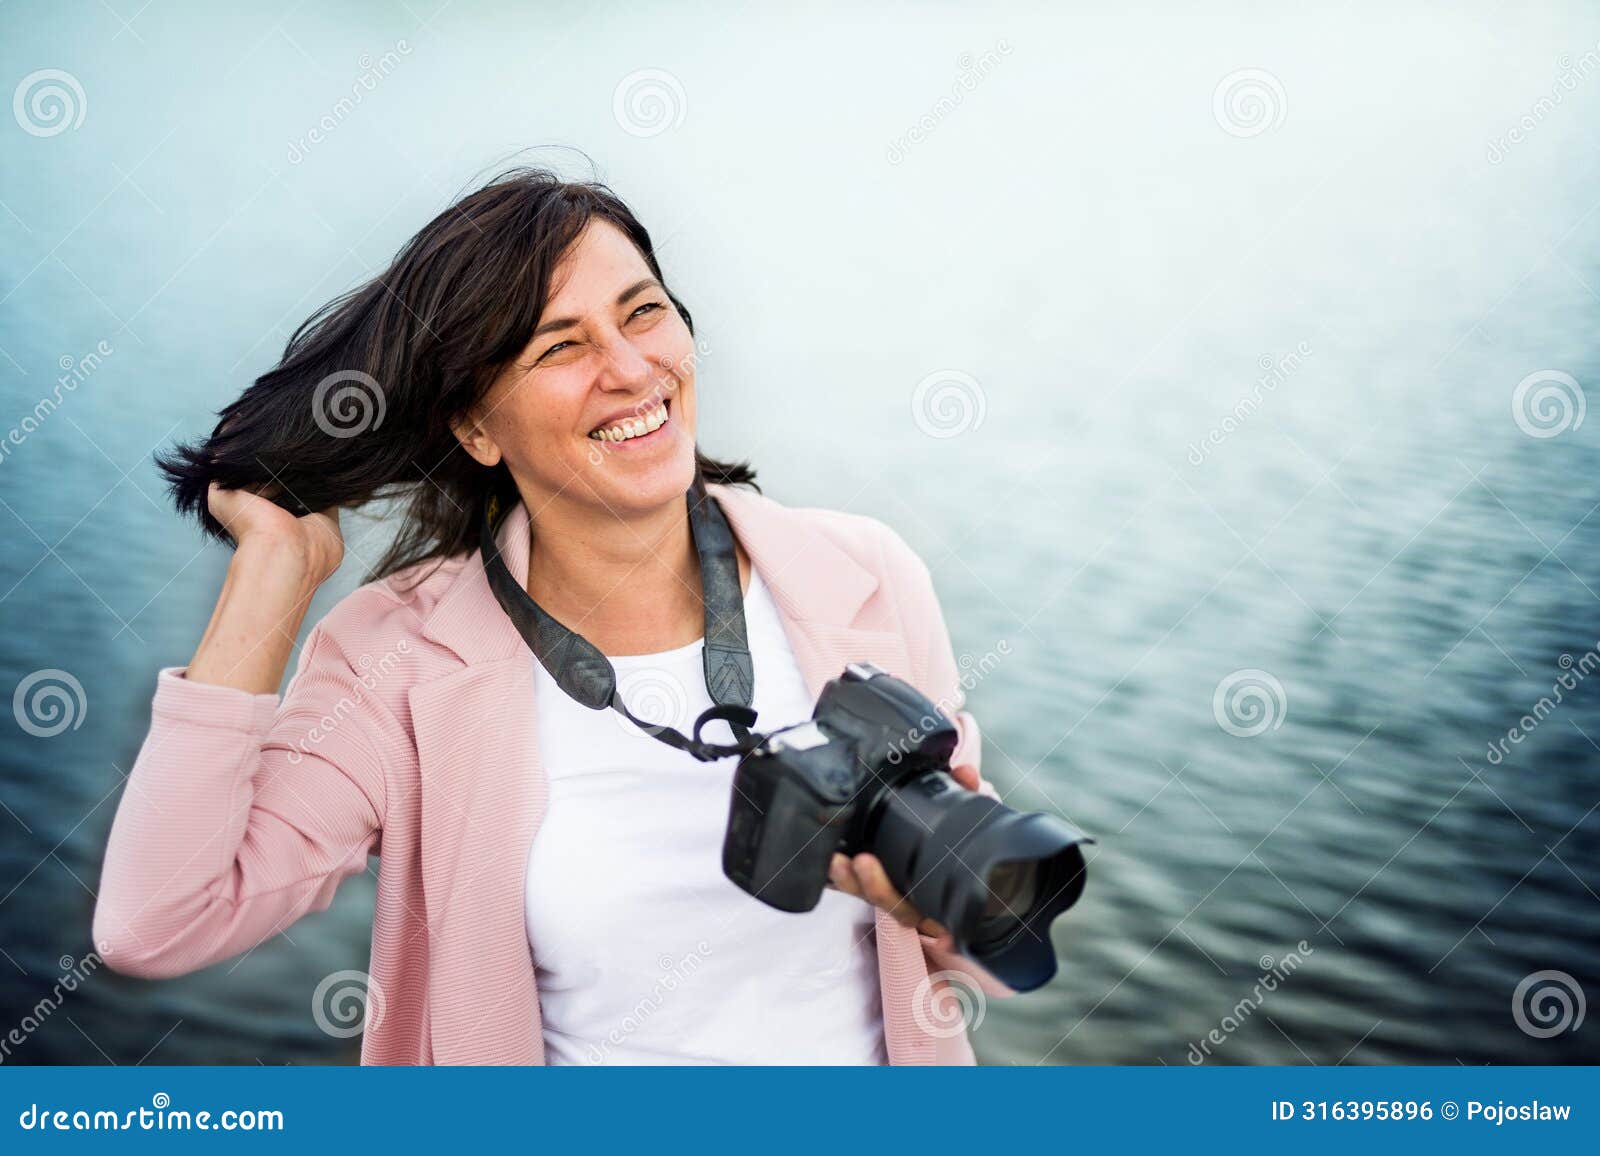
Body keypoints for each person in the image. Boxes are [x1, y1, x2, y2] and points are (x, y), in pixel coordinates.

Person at [92, 167, 1014, 1065]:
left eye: (643, 311)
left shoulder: (860, 577)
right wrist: (275, 576)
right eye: (559, 346)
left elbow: (987, 951)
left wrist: (940, 904)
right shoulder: (399, 660)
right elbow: (159, 921)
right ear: (476, 429)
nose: (630, 369)